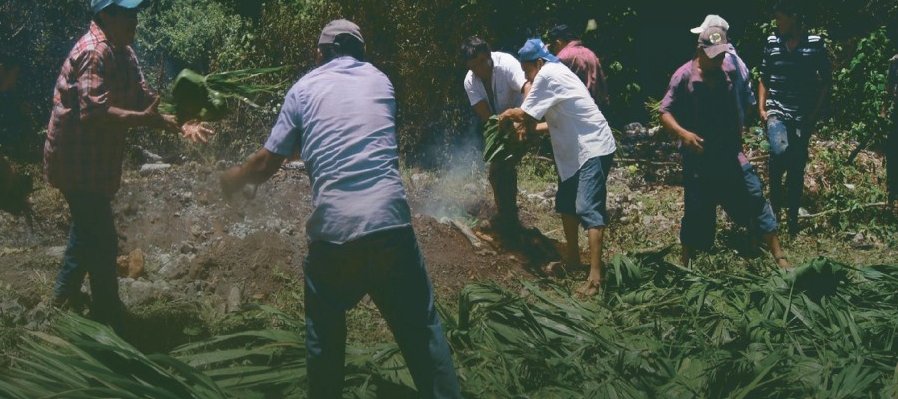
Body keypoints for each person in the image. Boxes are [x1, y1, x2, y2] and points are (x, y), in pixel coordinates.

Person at [220, 19, 461, 398]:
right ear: (359, 50)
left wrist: (234, 178)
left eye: (317, 51)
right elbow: (351, 134)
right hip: (390, 228)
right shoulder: (382, 82)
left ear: (324, 52)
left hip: (336, 238)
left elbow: (267, 163)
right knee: (422, 330)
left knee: (325, 333)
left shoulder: (303, 90)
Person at [44, 0, 213, 333]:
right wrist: (141, 119)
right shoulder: (95, 52)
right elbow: (93, 112)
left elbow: (144, 98)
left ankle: (61, 302)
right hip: (76, 161)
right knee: (102, 237)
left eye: (136, 12)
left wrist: (181, 124)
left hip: (95, 162)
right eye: (127, 13)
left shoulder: (124, 51)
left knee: (87, 231)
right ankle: (109, 312)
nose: (135, 19)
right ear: (106, 15)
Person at [659, 26, 789, 268]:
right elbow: (664, 111)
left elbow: (744, 104)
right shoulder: (683, 76)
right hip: (699, 155)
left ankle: (778, 255)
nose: (719, 59)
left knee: (754, 196)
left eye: (721, 54)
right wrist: (683, 134)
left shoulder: (729, 70)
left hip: (729, 152)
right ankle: (685, 260)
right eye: (713, 55)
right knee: (696, 209)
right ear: (700, 51)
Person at [499, 38, 617, 296]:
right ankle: (573, 261)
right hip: (576, 150)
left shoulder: (548, 74)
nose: (527, 76)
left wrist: (507, 116)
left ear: (538, 63)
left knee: (588, 208)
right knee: (566, 203)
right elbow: (546, 123)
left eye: (527, 69)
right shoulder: (557, 71)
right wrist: (526, 130)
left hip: (592, 147)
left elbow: (526, 115)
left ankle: (595, 279)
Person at [758, 0, 832, 234]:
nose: (777, 23)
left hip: (802, 115)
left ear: (794, 18)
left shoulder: (815, 45)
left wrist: (813, 113)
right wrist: (762, 108)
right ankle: (775, 213)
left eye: (780, 18)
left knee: (797, 167)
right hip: (776, 110)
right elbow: (764, 76)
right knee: (780, 152)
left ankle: (792, 220)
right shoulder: (772, 43)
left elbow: (826, 81)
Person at [461, 36, 531, 233]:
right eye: (474, 66)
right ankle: (507, 215)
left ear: (489, 55)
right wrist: (501, 135)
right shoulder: (470, 81)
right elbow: (487, 116)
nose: (480, 69)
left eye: (482, 62)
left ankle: (508, 217)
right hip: (503, 122)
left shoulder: (507, 64)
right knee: (497, 171)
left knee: (503, 167)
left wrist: (523, 118)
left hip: (525, 117)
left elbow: (528, 88)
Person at [689, 15, 753, 125]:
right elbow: (750, 103)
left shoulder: (721, 62)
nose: (699, 40)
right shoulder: (738, 60)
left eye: (703, 36)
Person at [546, 24, 610, 109]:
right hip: (597, 108)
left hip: (578, 109)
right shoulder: (590, 53)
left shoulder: (563, 57)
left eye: (552, 46)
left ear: (558, 43)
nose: (553, 50)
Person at [882, 50, 898, 205]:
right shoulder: (895, 62)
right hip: (896, 114)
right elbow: (888, 88)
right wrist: (884, 112)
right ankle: (892, 191)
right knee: (893, 152)